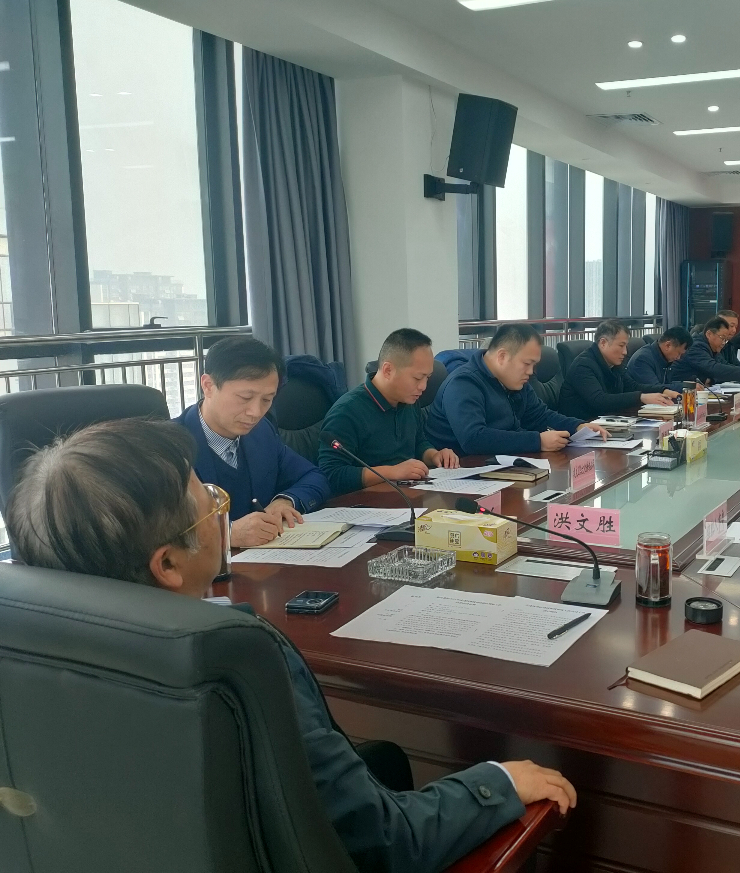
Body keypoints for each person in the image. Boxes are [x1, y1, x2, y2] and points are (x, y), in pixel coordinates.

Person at [5, 419, 578, 873]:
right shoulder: (233, 657)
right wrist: (497, 784)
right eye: (209, 501)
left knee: (383, 759)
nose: (220, 507)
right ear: (169, 564)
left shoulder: (27, 647)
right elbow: (388, 842)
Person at [176, 335, 330, 548]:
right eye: (245, 398)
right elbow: (150, 533)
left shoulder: (261, 432)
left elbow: (314, 477)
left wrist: (285, 500)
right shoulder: (168, 447)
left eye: (267, 400)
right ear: (208, 386)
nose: (256, 412)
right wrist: (227, 534)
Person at [425, 323, 608, 456]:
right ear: (502, 356)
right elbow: (474, 439)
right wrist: (538, 441)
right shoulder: (463, 383)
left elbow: (539, 415)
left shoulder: (514, 381)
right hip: (460, 473)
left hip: (500, 465)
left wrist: (577, 426)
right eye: (527, 364)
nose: (531, 372)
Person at [319, 328, 459, 496]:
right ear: (387, 370)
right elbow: (331, 474)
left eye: (427, 378)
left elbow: (419, 442)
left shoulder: (409, 400)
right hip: (367, 502)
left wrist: (434, 455)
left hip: (408, 495)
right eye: (417, 378)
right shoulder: (347, 412)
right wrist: (392, 472)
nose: (423, 386)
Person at [556, 319, 677, 419]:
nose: (625, 352)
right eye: (621, 346)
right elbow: (599, 400)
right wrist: (641, 397)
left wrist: (663, 390)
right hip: (581, 429)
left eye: (626, 346)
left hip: (607, 422)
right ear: (603, 343)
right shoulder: (583, 365)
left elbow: (632, 386)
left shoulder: (614, 363)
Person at [673, 316, 740, 386]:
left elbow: (724, 365)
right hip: (680, 389)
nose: (724, 343)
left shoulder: (713, 347)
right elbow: (713, 368)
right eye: (722, 338)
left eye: (726, 339)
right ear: (709, 334)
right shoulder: (696, 346)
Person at [627, 327, 692, 392]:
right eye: (678, 353)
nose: (678, 358)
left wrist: (687, 384)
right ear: (668, 345)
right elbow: (655, 389)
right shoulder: (642, 359)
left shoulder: (664, 358)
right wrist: (686, 386)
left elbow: (668, 384)